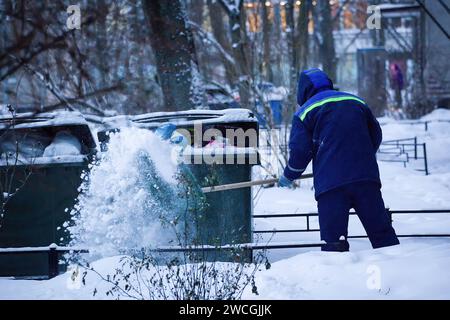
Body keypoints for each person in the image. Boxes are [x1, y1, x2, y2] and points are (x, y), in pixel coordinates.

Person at [278, 68, 400, 252]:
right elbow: (376, 134)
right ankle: (400, 272)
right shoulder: (356, 101)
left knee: (334, 243)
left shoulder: (305, 112)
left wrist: (289, 175)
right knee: (382, 235)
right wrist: (361, 156)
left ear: (302, 91)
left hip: (331, 186)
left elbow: (300, 151)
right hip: (366, 179)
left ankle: (338, 278)